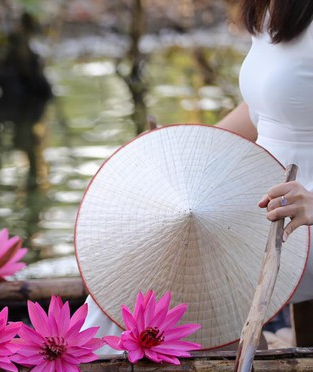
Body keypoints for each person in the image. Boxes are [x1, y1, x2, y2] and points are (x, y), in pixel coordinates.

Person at [85, 0, 313, 353]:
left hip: (301, 219)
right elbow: (261, 110)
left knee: (181, 269)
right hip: (259, 201)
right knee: (150, 232)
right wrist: (181, 150)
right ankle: (96, 361)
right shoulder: (273, 10)